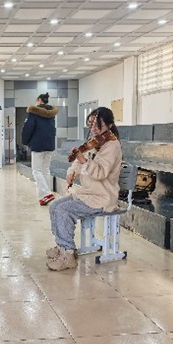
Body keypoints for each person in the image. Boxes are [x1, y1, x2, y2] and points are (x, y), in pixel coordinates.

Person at [46, 107, 122, 271]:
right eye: (91, 124)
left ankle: (67, 255)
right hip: (88, 193)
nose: (94, 129)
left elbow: (100, 173)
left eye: (98, 125)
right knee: (54, 206)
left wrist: (83, 161)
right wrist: (71, 172)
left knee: (64, 210)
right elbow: (77, 162)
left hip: (102, 197)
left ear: (109, 125)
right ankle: (62, 246)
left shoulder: (112, 146)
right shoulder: (95, 143)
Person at [22, 92, 58, 206]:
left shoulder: (34, 112)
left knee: (36, 170)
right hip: (50, 144)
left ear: (38, 100)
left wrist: (25, 141)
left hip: (38, 145)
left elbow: (28, 128)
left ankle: (46, 193)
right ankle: (44, 196)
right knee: (45, 170)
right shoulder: (51, 114)